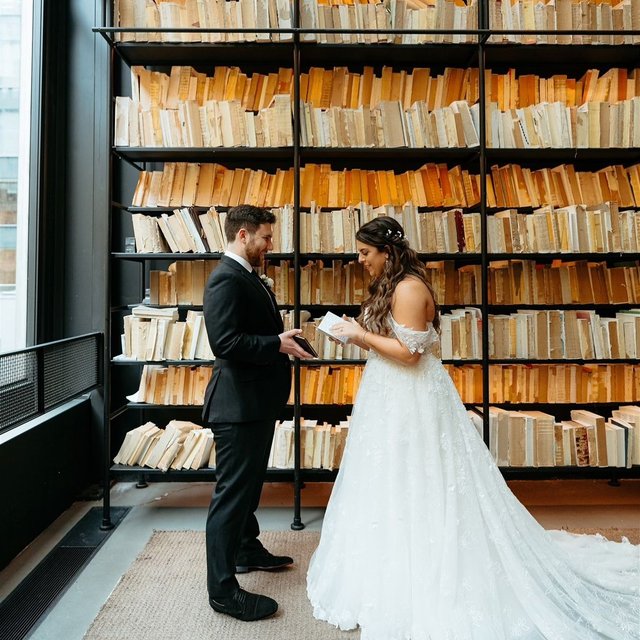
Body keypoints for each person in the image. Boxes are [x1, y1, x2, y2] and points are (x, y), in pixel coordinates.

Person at [307, 216, 639, 640]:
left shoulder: (408, 288)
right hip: (389, 394)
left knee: (421, 475)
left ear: (386, 253)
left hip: (411, 396)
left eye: (365, 253)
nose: (360, 260)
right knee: (387, 475)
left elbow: (409, 354)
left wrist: (359, 336)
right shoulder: (393, 285)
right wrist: (354, 334)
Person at [202, 204, 312, 622]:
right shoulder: (225, 280)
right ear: (243, 235)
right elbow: (225, 343)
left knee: (247, 489)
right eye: (266, 237)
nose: (271, 245)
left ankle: (246, 549)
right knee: (231, 497)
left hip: (254, 403)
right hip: (237, 407)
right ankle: (222, 591)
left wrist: (278, 338)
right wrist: (276, 345)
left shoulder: (246, 275)